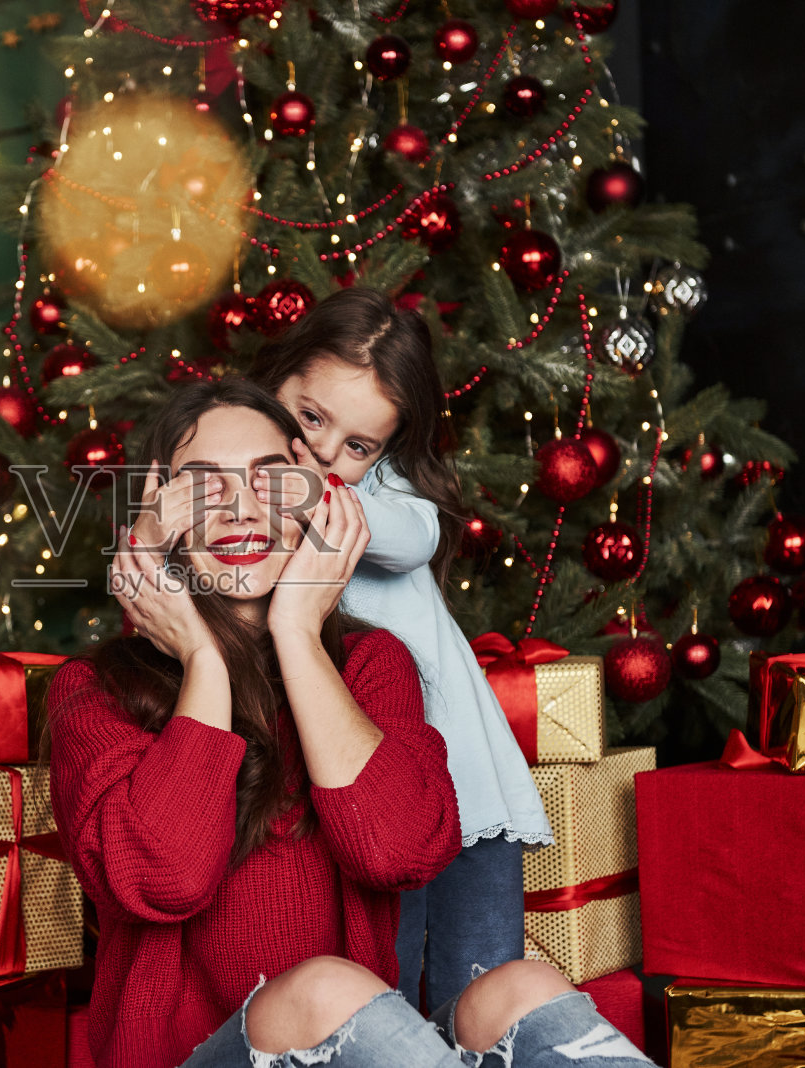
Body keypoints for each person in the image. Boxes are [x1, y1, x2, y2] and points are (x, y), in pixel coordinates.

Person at [46, 379, 650, 1068]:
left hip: (356, 1047)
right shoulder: (93, 691)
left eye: (272, 482)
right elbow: (166, 876)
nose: (242, 511)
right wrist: (203, 662)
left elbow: (399, 854)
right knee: (321, 991)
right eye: (204, 488)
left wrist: (298, 632)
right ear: (158, 513)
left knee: (516, 989)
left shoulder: (371, 664)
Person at [249, 286, 553, 1012]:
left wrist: (312, 493)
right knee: (385, 993)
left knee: (483, 990)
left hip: (464, 784)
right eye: (311, 416)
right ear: (277, 380)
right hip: (369, 793)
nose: (328, 453)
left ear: (385, 451)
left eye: (358, 445)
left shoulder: (385, 498)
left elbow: (413, 536)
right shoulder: (240, 485)